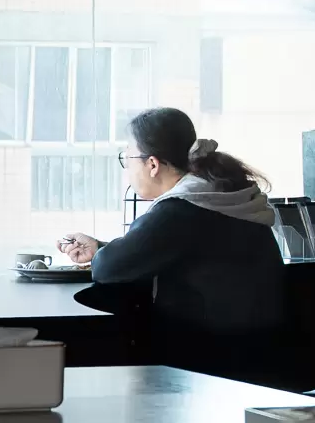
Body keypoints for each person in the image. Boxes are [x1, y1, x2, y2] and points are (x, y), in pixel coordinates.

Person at [56, 106, 286, 372]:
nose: (127, 168)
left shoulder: (181, 209)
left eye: (127, 158)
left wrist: (102, 255)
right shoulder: (218, 194)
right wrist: (99, 248)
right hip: (257, 351)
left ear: (152, 165)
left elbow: (108, 268)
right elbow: (162, 249)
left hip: (211, 360)